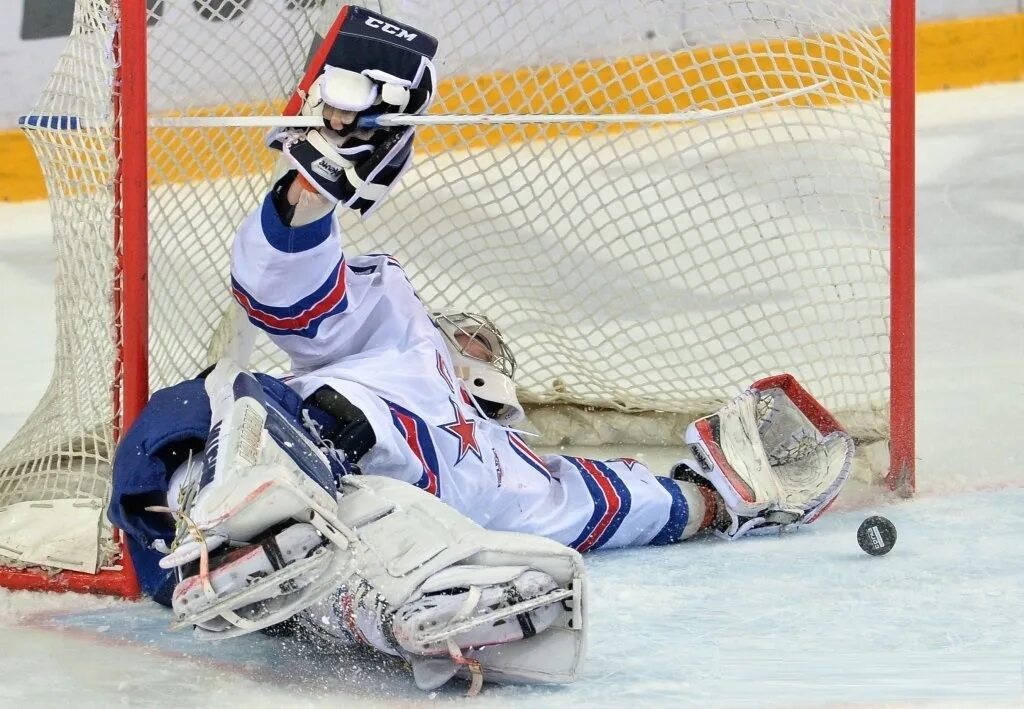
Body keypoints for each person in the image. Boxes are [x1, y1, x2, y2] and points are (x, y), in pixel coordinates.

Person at [108, 7, 854, 693]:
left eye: (484, 344)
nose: (472, 339)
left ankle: (379, 610)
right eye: (466, 333)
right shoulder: (398, 334)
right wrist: (317, 174)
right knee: (217, 408)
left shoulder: (530, 478)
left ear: (499, 386)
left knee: (394, 558)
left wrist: (716, 499)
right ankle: (216, 522)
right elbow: (285, 290)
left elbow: (619, 503)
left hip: (365, 524)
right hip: (279, 454)